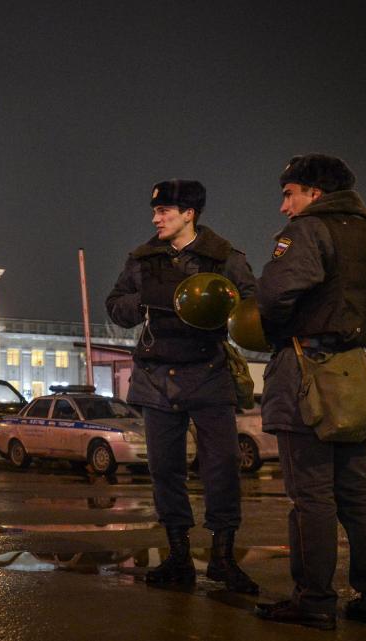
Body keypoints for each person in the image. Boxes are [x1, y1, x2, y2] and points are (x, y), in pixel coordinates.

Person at [253, 154, 366, 630]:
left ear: (315, 193)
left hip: (310, 373)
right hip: (357, 372)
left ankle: (313, 600)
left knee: (311, 496)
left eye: (289, 194)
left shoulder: (309, 230)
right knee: (358, 493)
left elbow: (273, 294)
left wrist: (274, 330)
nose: (283, 207)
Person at [106, 179, 258, 593]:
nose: (156, 218)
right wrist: (142, 302)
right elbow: (115, 307)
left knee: (222, 468)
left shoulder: (224, 257)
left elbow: (253, 307)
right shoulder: (143, 258)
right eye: (155, 212)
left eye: (165, 212)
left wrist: (220, 307)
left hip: (208, 372)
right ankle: (178, 558)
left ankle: (224, 559)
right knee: (164, 471)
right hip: (156, 378)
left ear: (189, 213)